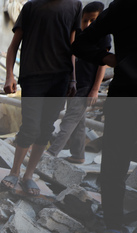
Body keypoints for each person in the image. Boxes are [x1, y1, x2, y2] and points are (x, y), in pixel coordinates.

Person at [72, 0, 137, 233]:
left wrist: (108, 58)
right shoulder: (123, 7)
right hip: (129, 95)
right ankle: (113, 226)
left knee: (114, 162)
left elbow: (81, 43)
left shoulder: (122, 6)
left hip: (126, 95)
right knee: (114, 162)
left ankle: (113, 227)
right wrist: (108, 57)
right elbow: (80, 43)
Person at [0, 0, 82, 196]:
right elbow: (13, 46)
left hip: (60, 79)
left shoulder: (74, 6)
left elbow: (73, 47)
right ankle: (14, 172)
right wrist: (9, 75)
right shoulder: (31, 7)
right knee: (30, 127)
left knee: (45, 128)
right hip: (33, 77)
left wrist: (73, 79)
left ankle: (28, 176)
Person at [46, 1, 110, 164]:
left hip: (87, 86)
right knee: (78, 121)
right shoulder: (80, 35)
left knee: (69, 120)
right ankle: (78, 154)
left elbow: (103, 64)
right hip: (74, 84)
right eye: (85, 20)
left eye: (93, 20)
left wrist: (95, 89)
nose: (88, 24)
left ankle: (50, 154)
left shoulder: (103, 36)